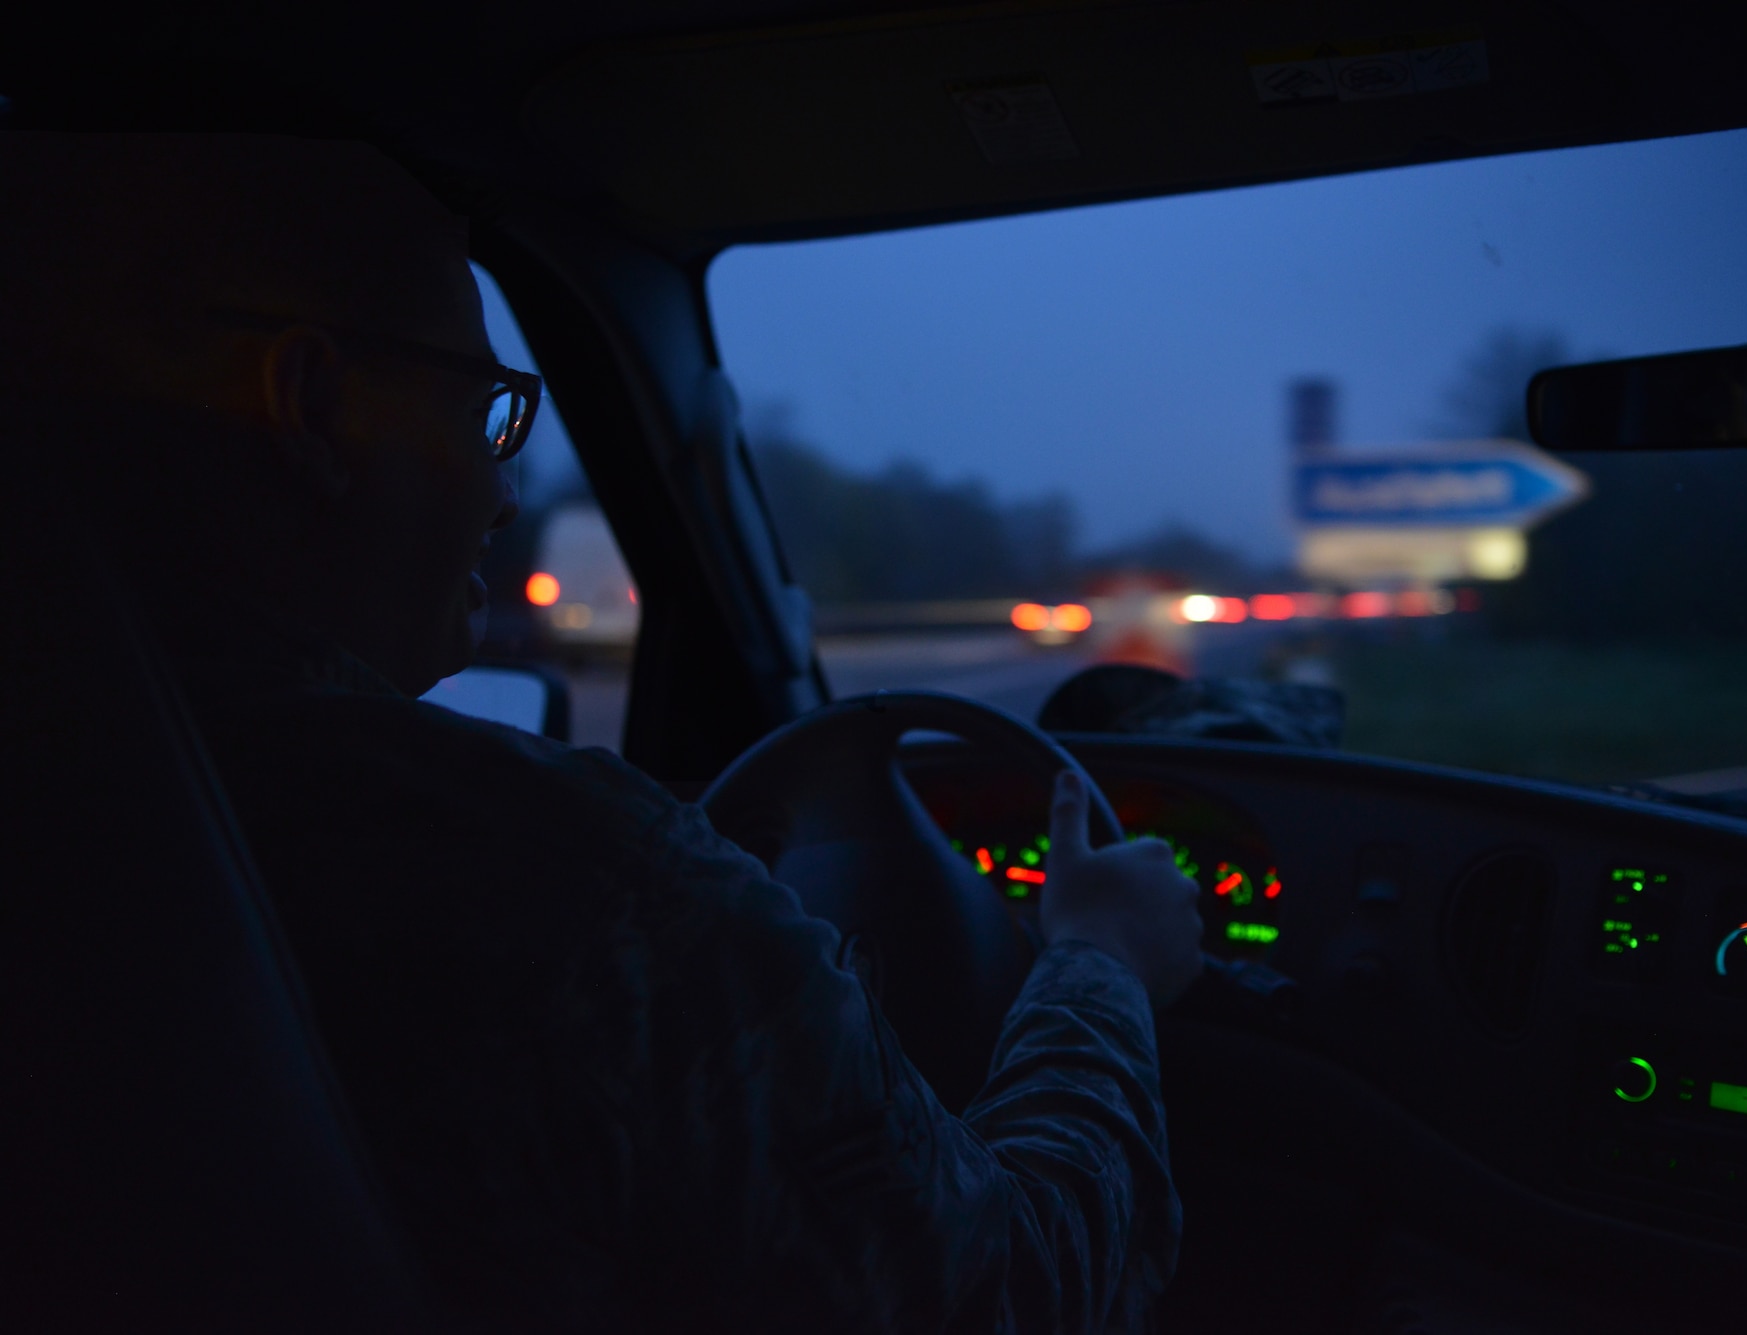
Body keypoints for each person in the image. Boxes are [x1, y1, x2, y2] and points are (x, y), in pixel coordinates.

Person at [0, 133, 1204, 1332]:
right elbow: (1010, 1296)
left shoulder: (77, 803)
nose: (503, 491)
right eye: (484, 410)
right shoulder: (568, 885)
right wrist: (1098, 963)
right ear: (313, 407)